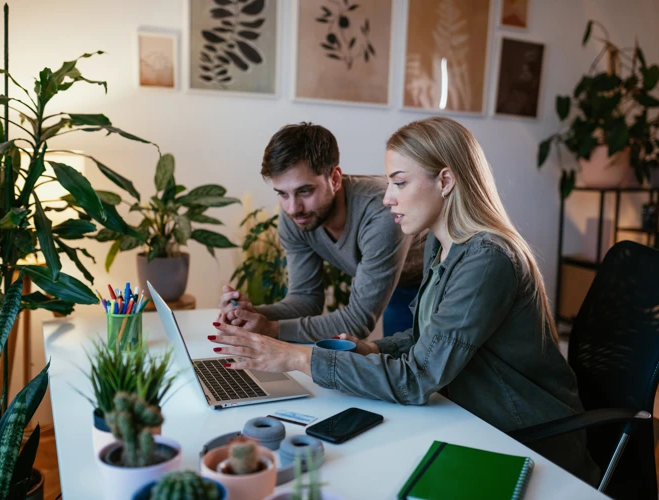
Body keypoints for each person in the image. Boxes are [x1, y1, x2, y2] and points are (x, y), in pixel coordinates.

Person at [209, 117, 599, 484]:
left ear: (445, 180)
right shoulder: (442, 245)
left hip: (525, 436)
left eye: (399, 183)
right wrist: (370, 348)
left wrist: (295, 356)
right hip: (472, 415)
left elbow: (416, 378)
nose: (387, 199)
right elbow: (421, 338)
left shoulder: (487, 259)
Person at [218, 122, 424, 341]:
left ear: (334, 179)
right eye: (283, 194)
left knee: (418, 367)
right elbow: (305, 301)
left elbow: (357, 322)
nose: (292, 208)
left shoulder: (382, 211)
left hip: (435, 284)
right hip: (398, 285)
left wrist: (270, 328)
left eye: (304, 191)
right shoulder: (296, 218)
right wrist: (251, 315)